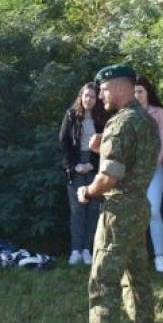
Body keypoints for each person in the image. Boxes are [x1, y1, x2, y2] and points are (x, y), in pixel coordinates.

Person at [77, 64, 159, 323]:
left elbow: (109, 177)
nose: (100, 95)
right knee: (137, 275)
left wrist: (87, 192)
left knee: (103, 280)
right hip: (138, 208)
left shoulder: (121, 123)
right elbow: (134, 161)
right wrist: (103, 146)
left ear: (122, 88)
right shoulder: (146, 120)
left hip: (118, 213)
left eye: (104, 89)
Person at [59, 82, 106, 266]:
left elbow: (106, 144)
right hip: (75, 166)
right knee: (78, 209)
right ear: (81, 96)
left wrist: (92, 165)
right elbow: (63, 143)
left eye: (92, 96)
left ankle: (87, 250)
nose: (89, 99)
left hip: (95, 165)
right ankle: (75, 250)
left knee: (93, 209)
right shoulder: (71, 115)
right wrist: (74, 166)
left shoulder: (102, 117)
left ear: (97, 99)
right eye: (86, 95)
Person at [134, 76, 163, 273]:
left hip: (154, 169)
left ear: (148, 92)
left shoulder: (159, 113)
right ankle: (136, 257)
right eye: (134, 91)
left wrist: (152, 164)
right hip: (132, 172)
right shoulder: (128, 113)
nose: (137, 95)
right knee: (134, 212)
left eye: (140, 91)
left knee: (154, 211)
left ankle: (159, 256)